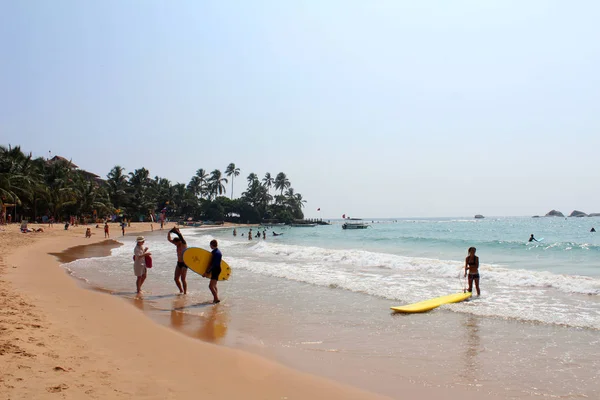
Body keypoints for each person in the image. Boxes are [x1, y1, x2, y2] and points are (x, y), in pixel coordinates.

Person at [168, 227, 188, 294]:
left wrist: (177, 232)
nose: (175, 245)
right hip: (179, 263)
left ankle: (185, 292)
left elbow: (181, 238)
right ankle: (181, 290)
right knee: (176, 279)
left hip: (185, 263)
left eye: (175, 243)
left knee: (183, 279)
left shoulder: (183, 244)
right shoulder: (177, 244)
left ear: (179, 241)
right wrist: (169, 232)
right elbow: (169, 239)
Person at [204, 239, 221, 304]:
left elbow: (214, 264)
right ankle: (215, 298)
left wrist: (207, 272)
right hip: (217, 269)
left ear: (211, 245)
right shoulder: (216, 252)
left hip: (215, 270)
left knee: (211, 286)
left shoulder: (216, 253)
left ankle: (216, 299)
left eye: (210, 245)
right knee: (214, 285)